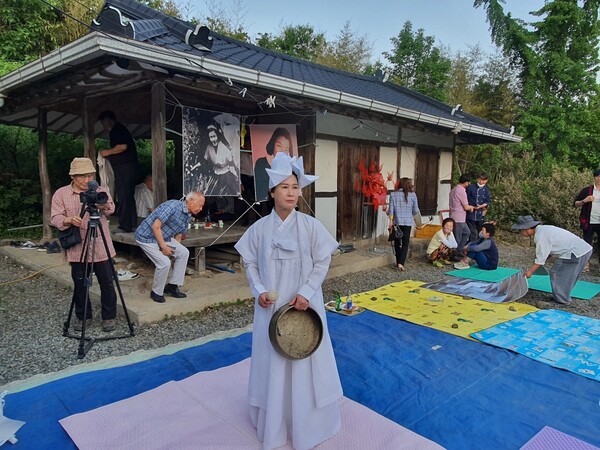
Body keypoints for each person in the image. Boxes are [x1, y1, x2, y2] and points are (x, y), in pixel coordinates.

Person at [234, 152, 342, 450]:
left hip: (304, 305)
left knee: (306, 357)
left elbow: (322, 261)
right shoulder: (258, 230)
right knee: (273, 358)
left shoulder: (310, 226)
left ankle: (309, 425)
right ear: (272, 192)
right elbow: (250, 265)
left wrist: (307, 291)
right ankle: (275, 423)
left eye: (295, 187)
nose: (291, 193)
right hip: (271, 310)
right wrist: (259, 292)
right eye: (284, 187)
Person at [50, 157, 118, 332]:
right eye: (82, 176)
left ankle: (109, 317)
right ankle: (83, 316)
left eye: (89, 175)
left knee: (107, 282)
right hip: (77, 246)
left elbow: (111, 209)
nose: (86, 180)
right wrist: (69, 220)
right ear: (73, 176)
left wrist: (101, 204)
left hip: (101, 244)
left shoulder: (100, 190)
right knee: (80, 283)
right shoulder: (61, 194)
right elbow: (55, 218)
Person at [135, 192, 205, 303]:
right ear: (190, 200)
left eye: (202, 206)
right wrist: (163, 247)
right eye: (200, 205)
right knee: (164, 263)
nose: (201, 208)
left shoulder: (188, 215)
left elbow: (179, 235)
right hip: (146, 237)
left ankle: (172, 286)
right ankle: (156, 292)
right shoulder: (172, 206)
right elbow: (155, 226)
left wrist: (174, 251)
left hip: (164, 237)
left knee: (183, 252)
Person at [512, 215, 592, 305]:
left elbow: (540, 258)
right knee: (567, 274)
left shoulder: (540, 236)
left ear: (527, 228)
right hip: (583, 250)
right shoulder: (543, 229)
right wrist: (542, 261)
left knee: (557, 272)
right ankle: (560, 296)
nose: (521, 233)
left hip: (577, 252)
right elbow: (548, 251)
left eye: (521, 230)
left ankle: (562, 299)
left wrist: (530, 272)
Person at [98, 110, 140, 233]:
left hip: (125, 168)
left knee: (123, 196)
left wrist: (107, 152)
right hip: (129, 168)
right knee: (127, 196)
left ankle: (125, 226)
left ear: (107, 121)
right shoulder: (119, 129)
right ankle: (131, 224)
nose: (103, 126)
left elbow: (122, 146)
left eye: (103, 123)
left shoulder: (117, 129)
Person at [388, 177, 421, 271]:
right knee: (405, 243)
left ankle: (398, 261)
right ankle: (401, 263)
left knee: (397, 242)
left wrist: (390, 221)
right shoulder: (413, 195)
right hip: (407, 222)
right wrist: (418, 221)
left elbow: (391, 210)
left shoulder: (393, 194)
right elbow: (415, 210)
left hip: (397, 222)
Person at [254, 127, 293, 202]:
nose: (282, 151)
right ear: (273, 144)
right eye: (279, 146)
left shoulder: (289, 167)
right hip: (264, 204)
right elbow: (259, 190)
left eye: (286, 149)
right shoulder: (261, 163)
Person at [574, 167, 600, 272]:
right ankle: (585, 264)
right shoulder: (587, 190)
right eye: (598, 176)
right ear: (594, 178)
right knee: (586, 243)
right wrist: (585, 200)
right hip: (588, 222)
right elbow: (575, 204)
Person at [449, 174, 475, 269]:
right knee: (458, 237)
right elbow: (466, 206)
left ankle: (459, 251)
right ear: (466, 182)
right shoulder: (461, 191)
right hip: (458, 217)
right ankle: (456, 254)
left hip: (455, 215)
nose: (469, 184)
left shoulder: (453, 189)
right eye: (468, 182)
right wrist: (472, 208)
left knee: (466, 232)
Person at [204, 124, 238, 196]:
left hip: (227, 173)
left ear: (217, 136)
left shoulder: (223, 146)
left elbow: (231, 161)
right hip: (216, 173)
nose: (213, 139)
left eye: (214, 136)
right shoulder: (209, 147)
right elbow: (205, 159)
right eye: (211, 137)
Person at [466, 172, 491, 241]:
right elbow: (465, 200)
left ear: (486, 180)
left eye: (483, 180)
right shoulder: (470, 187)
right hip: (470, 214)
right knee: (473, 233)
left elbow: (487, 201)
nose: (481, 182)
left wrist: (482, 207)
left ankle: (478, 247)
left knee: (480, 232)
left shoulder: (486, 190)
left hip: (480, 214)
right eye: (480, 179)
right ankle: (471, 248)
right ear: (477, 179)